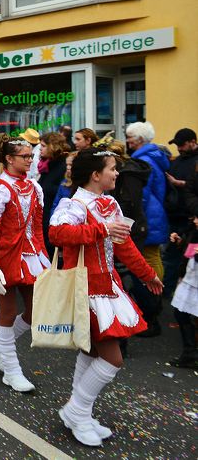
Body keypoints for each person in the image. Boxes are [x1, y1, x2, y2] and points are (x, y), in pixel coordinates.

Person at [49, 148, 162, 447]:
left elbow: (124, 246)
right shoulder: (74, 204)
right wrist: (100, 229)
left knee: (92, 352)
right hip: (86, 287)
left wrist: (147, 274)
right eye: (112, 169)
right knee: (113, 359)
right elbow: (57, 233)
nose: (116, 174)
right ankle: (75, 411)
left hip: (108, 286)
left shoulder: (110, 203)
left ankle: (80, 415)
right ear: (95, 175)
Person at [0, 134, 50, 393]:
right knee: (6, 311)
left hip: (31, 256)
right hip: (5, 257)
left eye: (31, 156)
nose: (30, 160)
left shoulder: (34, 187)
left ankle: (0, 342)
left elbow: (37, 228)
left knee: (36, 310)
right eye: (24, 156)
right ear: (8, 159)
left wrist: (44, 259)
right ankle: (11, 370)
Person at [125, 121, 169, 294]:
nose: (127, 141)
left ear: (140, 139)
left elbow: (141, 192)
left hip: (149, 213)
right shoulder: (153, 156)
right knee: (153, 254)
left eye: (130, 138)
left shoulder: (142, 160)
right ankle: (156, 292)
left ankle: (155, 292)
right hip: (155, 210)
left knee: (150, 255)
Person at [163, 128, 198, 297]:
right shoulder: (177, 161)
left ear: (193, 142)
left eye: (182, 145)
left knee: (189, 259)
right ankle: (168, 294)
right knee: (171, 258)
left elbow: (192, 188)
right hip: (175, 217)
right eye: (177, 145)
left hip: (191, 221)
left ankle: (185, 297)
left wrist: (180, 184)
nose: (179, 148)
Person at [168, 218, 198, 369]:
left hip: (194, 278)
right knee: (180, 312)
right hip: (191, 276)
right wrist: (181, 242)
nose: (195, 220)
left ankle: (190, 353)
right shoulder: (194, 230)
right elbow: (191, 251)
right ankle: (189, 353)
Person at [37, 132, 69, 254]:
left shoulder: (62, 165)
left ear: (52, 146)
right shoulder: (47, 164)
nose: (40, 149)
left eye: (43, 146)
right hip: (45, 212)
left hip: (54, 214)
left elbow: (62, 190)